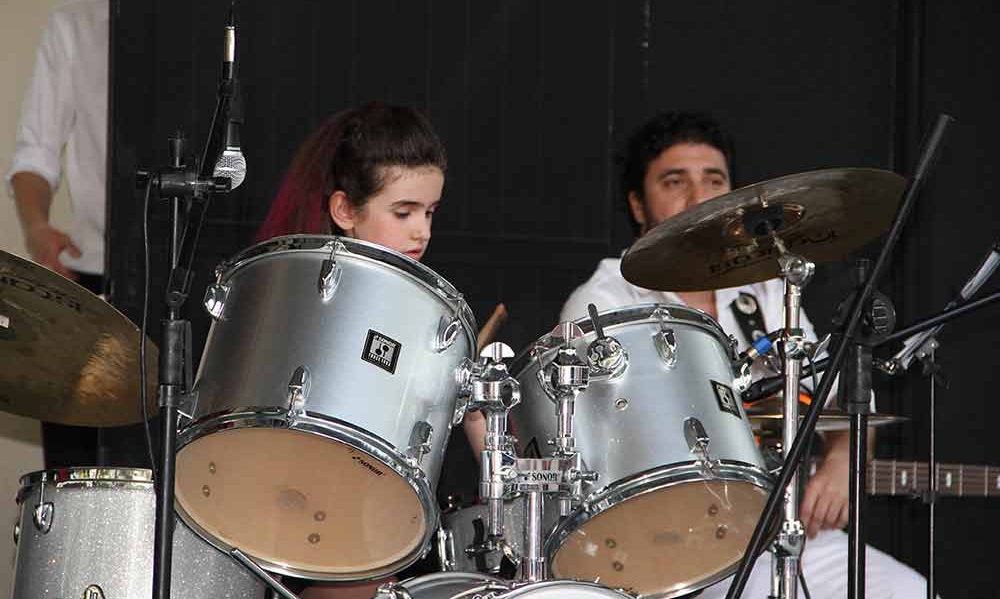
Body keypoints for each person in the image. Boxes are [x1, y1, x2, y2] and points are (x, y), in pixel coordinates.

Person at [559, 111, 929, 598]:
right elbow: (582, 445)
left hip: (786, 527)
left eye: (715, 180)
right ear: (637, 204)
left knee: (911, 591)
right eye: (675, 181)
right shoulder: (604, 301)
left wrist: (843, 460)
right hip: (668, 542)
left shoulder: (766, 290)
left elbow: (840, 395)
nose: (699, 197)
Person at [256, 100, 484, 599]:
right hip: (294, 519)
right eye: (403, 212)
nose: (422, 230)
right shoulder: (299, 300)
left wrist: (475, 407)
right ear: (344, 211)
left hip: (383, 536)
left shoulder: (429, 318)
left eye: (430, 212)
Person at [6, 0, 109, 469]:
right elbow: (35, 153)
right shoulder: (76, 21)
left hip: (194, 281)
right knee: (77, 478)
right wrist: (36, 228)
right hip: (93, 282)